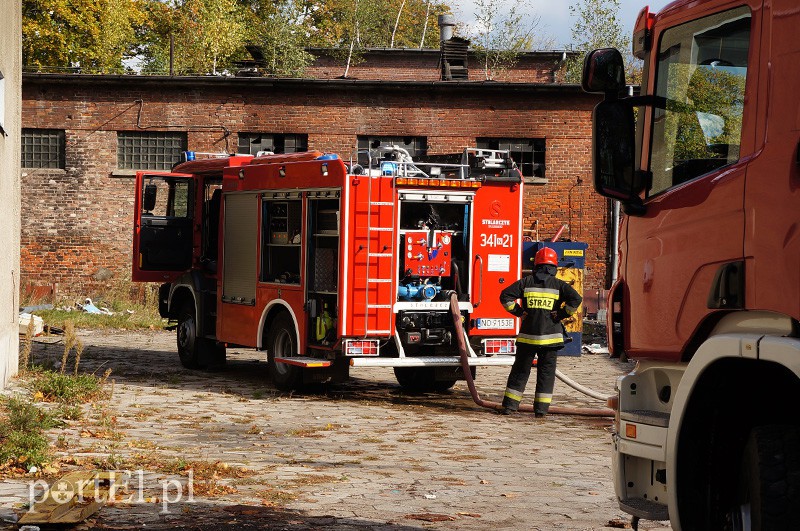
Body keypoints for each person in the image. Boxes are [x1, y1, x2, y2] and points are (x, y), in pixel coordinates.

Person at [498, 246, 582, 416]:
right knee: (546, 374)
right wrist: (561, 314)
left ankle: (509, 407)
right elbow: (576, 299)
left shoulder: (526, 282)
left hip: (528, 338)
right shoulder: (559, 285)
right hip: (551, 340)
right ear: (554, 266)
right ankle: (541, 411)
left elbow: (505, 296)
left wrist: (520, 313)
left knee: (520, 371)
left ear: (536, 265)